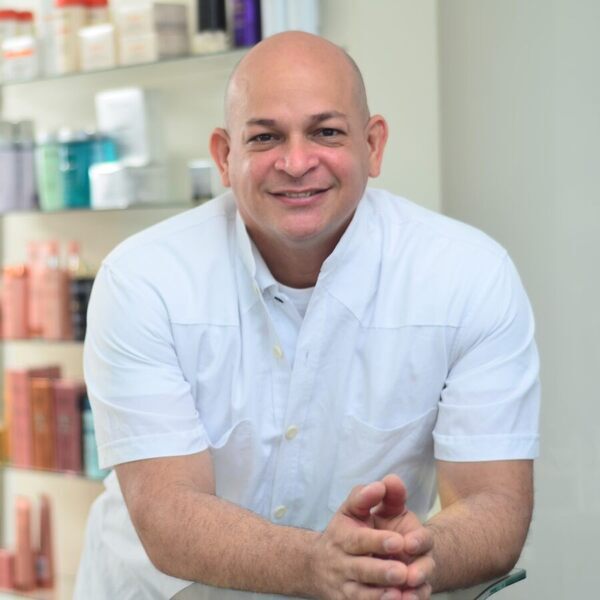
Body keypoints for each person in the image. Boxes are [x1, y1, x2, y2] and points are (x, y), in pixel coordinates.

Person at [75, 32, 540, 600]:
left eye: (326, 132)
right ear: (224, 157)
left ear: (373, 145)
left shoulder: (469, 276)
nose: (296, 163)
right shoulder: (144, 280)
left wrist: (412, 557)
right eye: (265, 137)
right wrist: (321, 564)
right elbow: (169, 513)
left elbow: (494, 503)